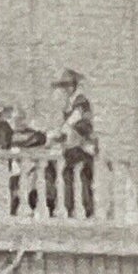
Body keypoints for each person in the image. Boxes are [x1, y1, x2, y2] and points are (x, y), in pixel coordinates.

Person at [49, 68, 96, 218]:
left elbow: (73, 121)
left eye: (68, 85)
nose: (65, 89)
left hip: (83, 146)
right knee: (65, 174)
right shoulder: (69, 102)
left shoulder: (80, 101)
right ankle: (68, 206)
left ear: (73, 85)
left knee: (80, 175)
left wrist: (61, 132)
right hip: (73, 145)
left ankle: (85, 208)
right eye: (63, 86)